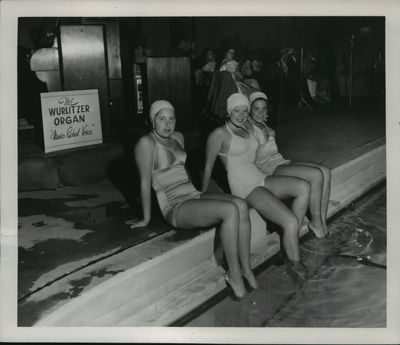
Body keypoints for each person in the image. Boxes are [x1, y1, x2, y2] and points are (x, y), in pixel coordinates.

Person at [131, 100, 259, 299]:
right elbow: (143, 183)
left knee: (241, 204)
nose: (167, 124)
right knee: (230, 210)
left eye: (171, 119)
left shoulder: (178, 138)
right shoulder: (146, 143)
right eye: (162, 119)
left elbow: (184, 170)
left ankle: (246, 268)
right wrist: (145, 219)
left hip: (191, 195)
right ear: (152, 120)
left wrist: (200, 194)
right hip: (175, 205)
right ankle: (233, 273)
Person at [202, 93, 311, 282]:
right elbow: (207, 167)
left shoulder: (247, 129)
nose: (242, 115)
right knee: (291, 221)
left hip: (259, 177)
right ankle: (294, 265)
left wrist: (266, 127)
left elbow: (263, 134)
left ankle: (288, 244)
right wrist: (201, 196)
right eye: (237, 111)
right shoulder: (219, 134)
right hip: (244, 185)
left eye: (245, 111)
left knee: (302, 186)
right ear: (228, 112)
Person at [248, 91, 332, 238]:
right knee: (316, 175)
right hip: (269, 170)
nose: (260, 113)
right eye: (256, 109)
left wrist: (268, 132)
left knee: (325, 171)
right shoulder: (248, 130)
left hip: (281, 162)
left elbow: (273, 152)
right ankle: (317, 223)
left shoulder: (265, 127)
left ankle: (322, 221)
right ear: (249, 110)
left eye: (263, 109)